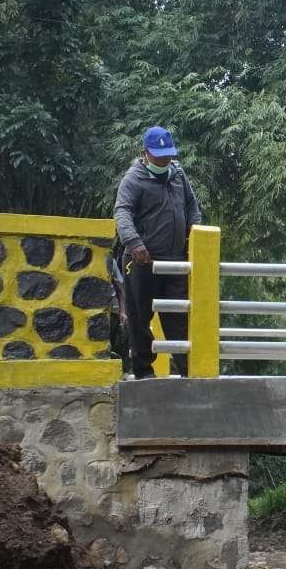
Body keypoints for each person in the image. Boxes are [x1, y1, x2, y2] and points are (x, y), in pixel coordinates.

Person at [113, 125, 202, 379]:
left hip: (176, 262)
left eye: (168, 155)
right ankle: (143, 372)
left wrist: (193, 237)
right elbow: (122, 212)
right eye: (159, 155)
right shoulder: (134, 178)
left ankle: (189, 371)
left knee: (179, 317)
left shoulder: (178, 175)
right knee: (139, 316)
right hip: (143, 261)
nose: (165, 159)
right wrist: (134, 242)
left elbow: (192, 208)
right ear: (145, 153)